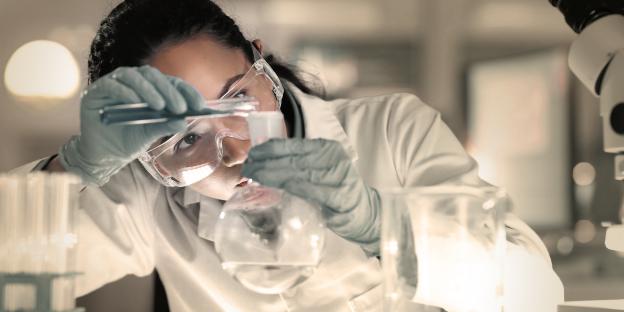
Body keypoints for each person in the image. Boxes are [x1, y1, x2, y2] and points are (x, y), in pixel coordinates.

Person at [12, 0, 564, 311]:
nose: (235, 146)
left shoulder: (394, 129)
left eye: (236, 99)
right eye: (184, 139)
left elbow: (536, 293)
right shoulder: (150, 191)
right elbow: (12, 272)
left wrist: (379, 223)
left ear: (262, 64)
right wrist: (76, 165)